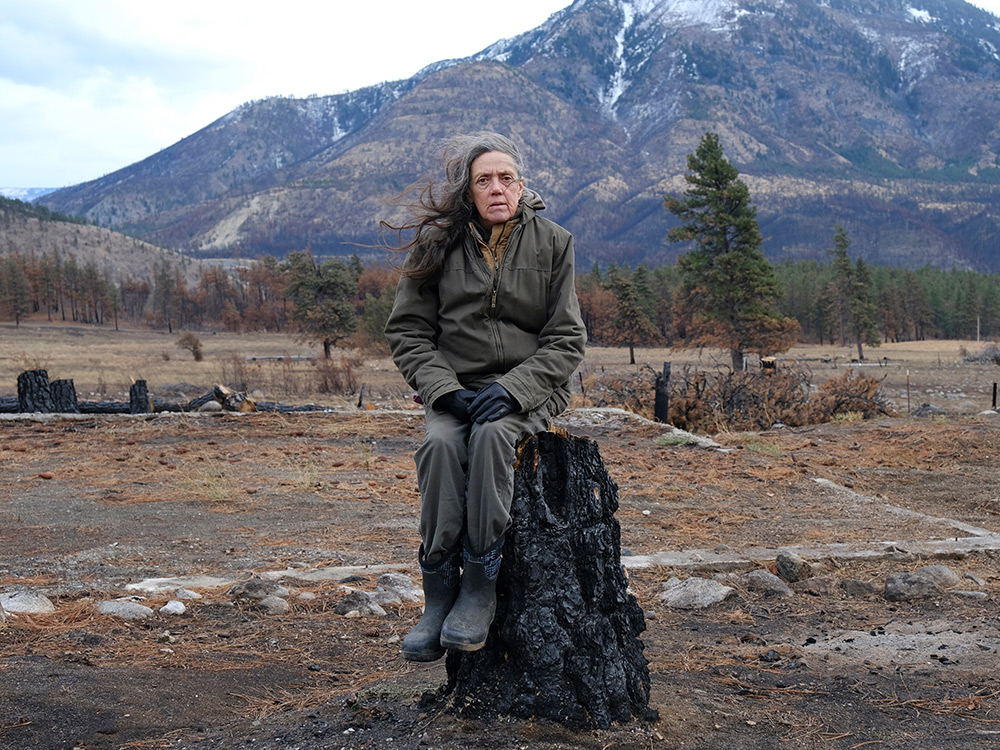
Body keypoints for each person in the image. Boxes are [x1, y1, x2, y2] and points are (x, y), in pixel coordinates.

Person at [384, 131, 586, 661]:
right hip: (457, 390)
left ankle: (478, 587)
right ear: (468, 191)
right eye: (483, 180)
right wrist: (442, 391)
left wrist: (515, 388)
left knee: (496, 438)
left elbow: (567, 339)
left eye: (506, 178)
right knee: (443, 447)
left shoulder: (554, 242)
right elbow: (407, 331)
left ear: (522, 186)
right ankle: (438, 593)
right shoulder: (437, 246)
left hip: (528, 388)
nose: (496, 188)